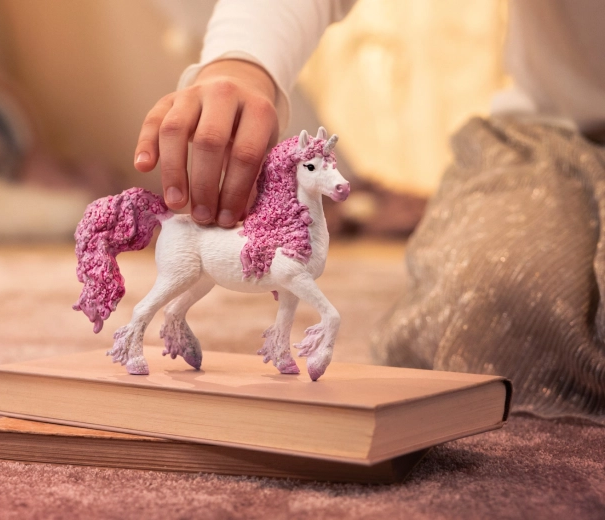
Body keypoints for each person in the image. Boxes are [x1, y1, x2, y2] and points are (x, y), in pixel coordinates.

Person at [134, 0, 605, 423]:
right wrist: (244, 62)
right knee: (491, 309)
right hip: (557, 131)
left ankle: (276, 345)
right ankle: (136, 332)